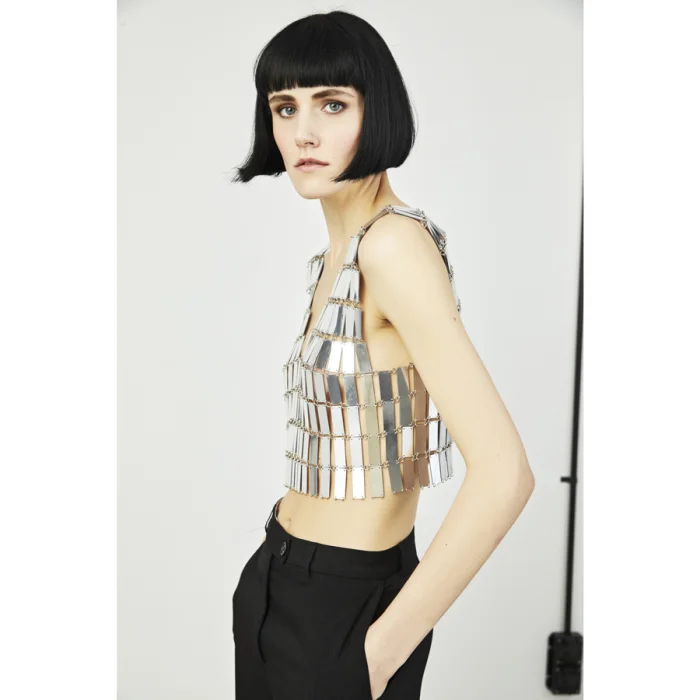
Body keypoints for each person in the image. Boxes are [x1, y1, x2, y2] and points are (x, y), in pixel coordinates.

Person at [230, 10, 535, 699]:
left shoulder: (392, 245)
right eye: (285, 107)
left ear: (379, 111)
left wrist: (378, 652)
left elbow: (506, 474)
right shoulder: (339, 251)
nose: (304, 133)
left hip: (342, 609)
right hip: (279, 576)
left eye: (333, 104)